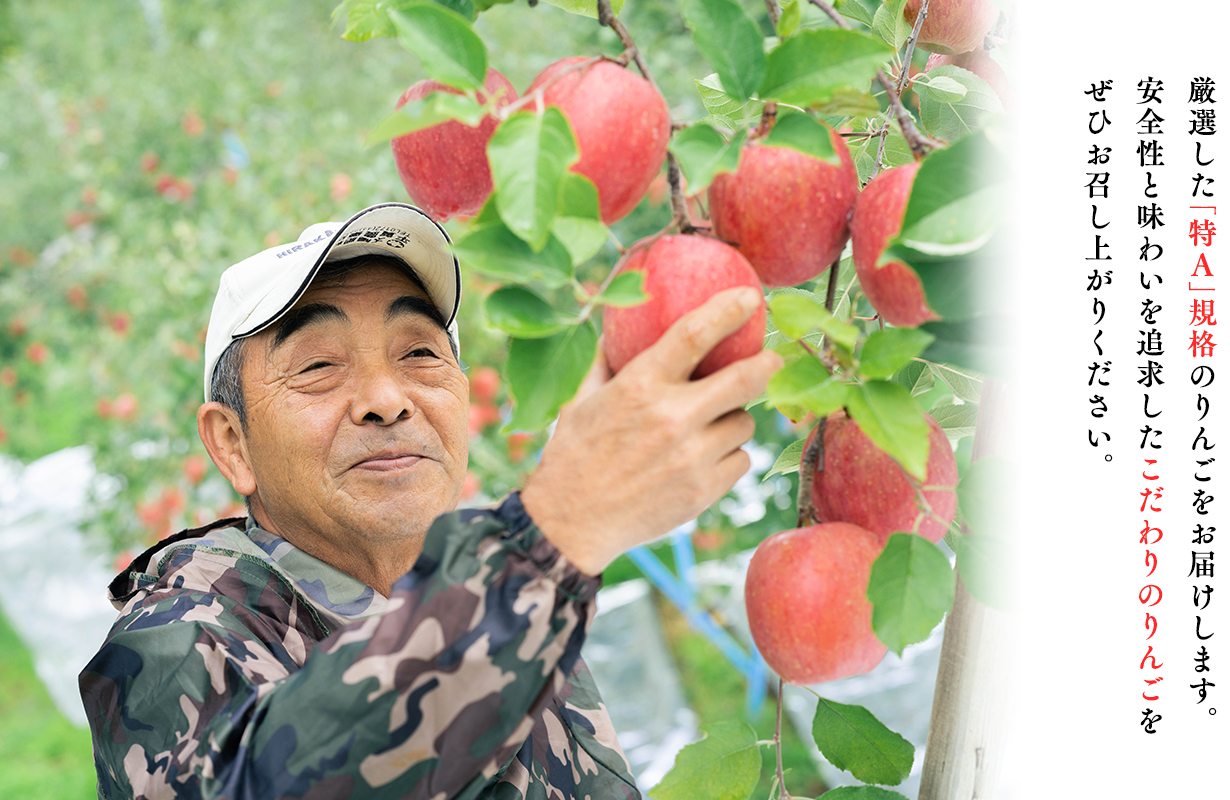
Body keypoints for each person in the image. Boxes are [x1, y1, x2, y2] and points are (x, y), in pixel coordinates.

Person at [79, 203, 781, 799]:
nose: (388, 401)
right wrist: (554, 536)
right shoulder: (174, 642)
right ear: (232, 443)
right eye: (320, 366)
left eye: (419, 353)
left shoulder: (499, 594)